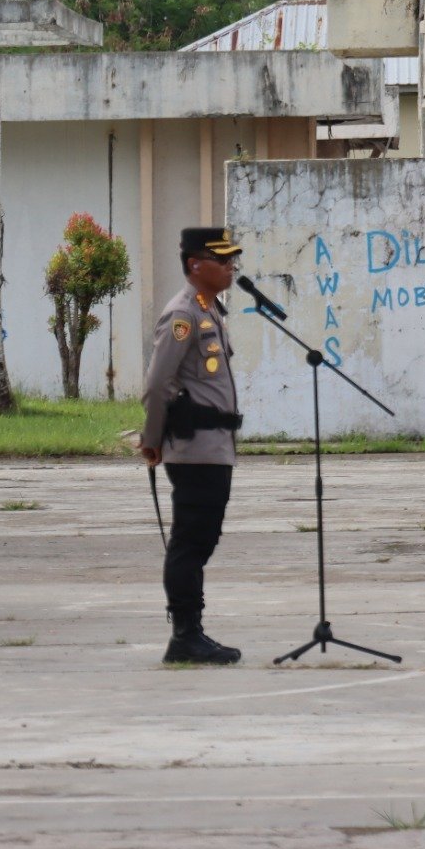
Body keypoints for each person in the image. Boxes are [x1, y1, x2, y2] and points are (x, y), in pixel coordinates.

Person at [139, 227, 245, 666]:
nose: (231, 266)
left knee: (201, 539)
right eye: (222, 259)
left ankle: (191, 632)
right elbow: (157, 384)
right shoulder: (182, 314)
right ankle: (185, 635)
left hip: (214, 447)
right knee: (190, 542)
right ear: (194, 265)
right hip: (194, 447)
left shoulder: (209, 310)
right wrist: (151, 440)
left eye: (232, 259)